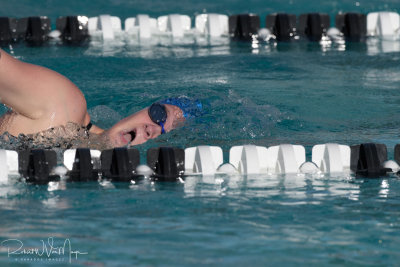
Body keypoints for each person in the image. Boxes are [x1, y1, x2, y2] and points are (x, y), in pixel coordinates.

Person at [0, 49, 201, 149]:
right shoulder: (63, 103)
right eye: (158, 114)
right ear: (140, 111)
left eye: (165, 133)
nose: (152, 128)